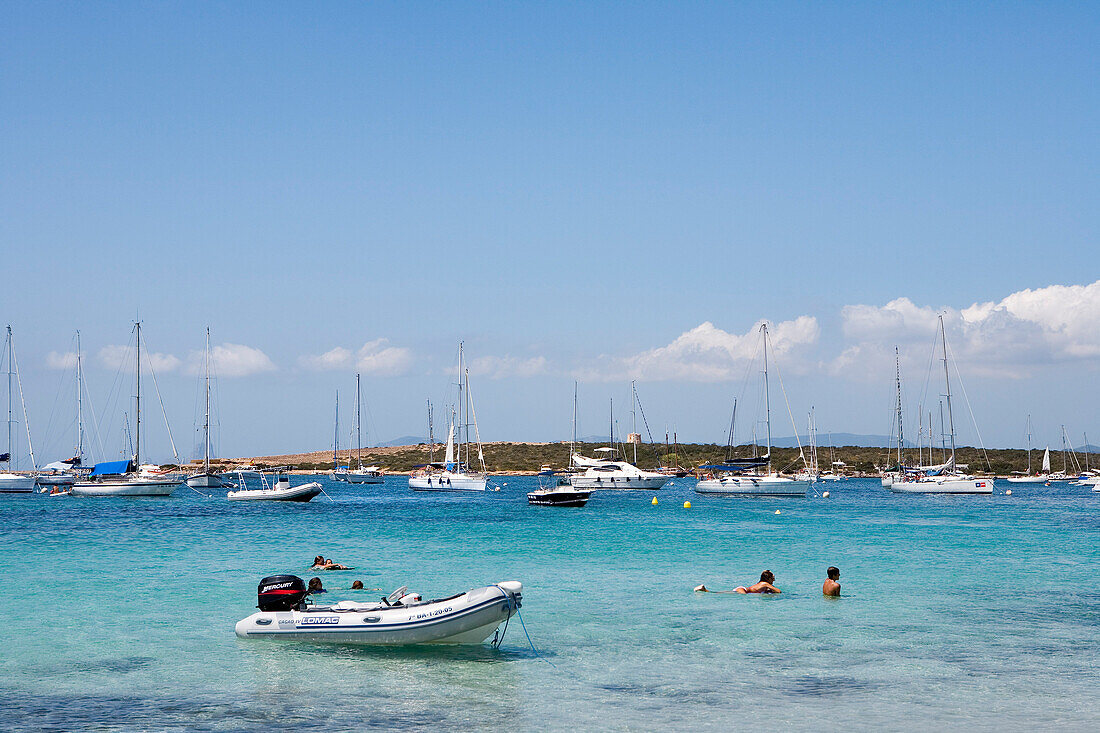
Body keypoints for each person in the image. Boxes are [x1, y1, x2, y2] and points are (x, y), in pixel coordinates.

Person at [694, 570, 781, 594]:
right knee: (722, 594)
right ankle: (705, 590)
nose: (774, 580)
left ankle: (705, 590)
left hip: (742, 589)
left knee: (725, 593)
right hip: (743, 591)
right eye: (773, 578)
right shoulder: (765, 584)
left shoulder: (763, 584)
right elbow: (778, 591)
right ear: (768, 578)